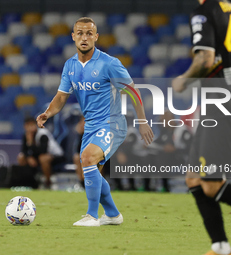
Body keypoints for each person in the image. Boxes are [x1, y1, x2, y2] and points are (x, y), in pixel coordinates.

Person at [37, 17, 154, 226]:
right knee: (92, 172)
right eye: (80, 33)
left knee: (88, 157)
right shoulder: (70, 65)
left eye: (89, 33)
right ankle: (112, 214)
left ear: (96, 37)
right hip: (91, 125)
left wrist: (142, 121)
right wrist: (48, 113)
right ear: (73, 37)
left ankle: (92, 216)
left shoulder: (109, 64)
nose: (84, 37)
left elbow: (133, 92)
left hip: (112, 123)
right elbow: (62, 96)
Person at [172, 0, 231, 254]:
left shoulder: (203, 12)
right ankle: (220, 246)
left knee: (210, 183)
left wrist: (183, 81)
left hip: (223, 102)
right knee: (193, 178)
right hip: (225, 100)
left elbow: (205, 57)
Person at [17, 116, 64, 188]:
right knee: (21, 157)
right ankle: (28, 182)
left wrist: (30, 143)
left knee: (43, 158)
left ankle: (48, 183)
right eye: (28, 125)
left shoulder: (42, 134)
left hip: (56, 156)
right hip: (38, 156)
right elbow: (24, 150)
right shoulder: (26, 135)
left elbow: (43, 151)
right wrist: (29, 157)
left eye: (32, 125)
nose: (30, 128)